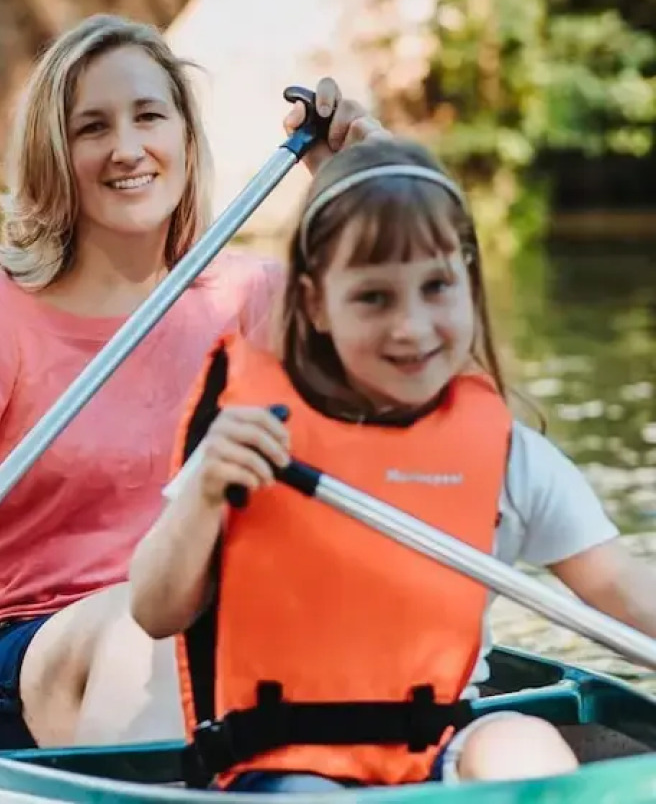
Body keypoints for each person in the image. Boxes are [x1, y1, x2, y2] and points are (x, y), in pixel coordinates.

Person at [0, 13, 385, 751]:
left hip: (230, 637)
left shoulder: (261, 299)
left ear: (184, 137)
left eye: (149, 116)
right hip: (19, 659)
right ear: (55, 153)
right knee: (141, 633)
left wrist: (370, 187)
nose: (126, 149)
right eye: (92, 128)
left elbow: (424, 383)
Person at [127, 137, 656, 792]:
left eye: (436, 287)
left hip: (432, 751)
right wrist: (206, 494)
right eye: (374, 298)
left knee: (526, 744)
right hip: (285, 764)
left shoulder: (511, 457)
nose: (412, 327)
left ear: (468, 278)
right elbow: (153, 610)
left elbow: (626, 591)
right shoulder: (254, 437)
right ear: (317, 304)